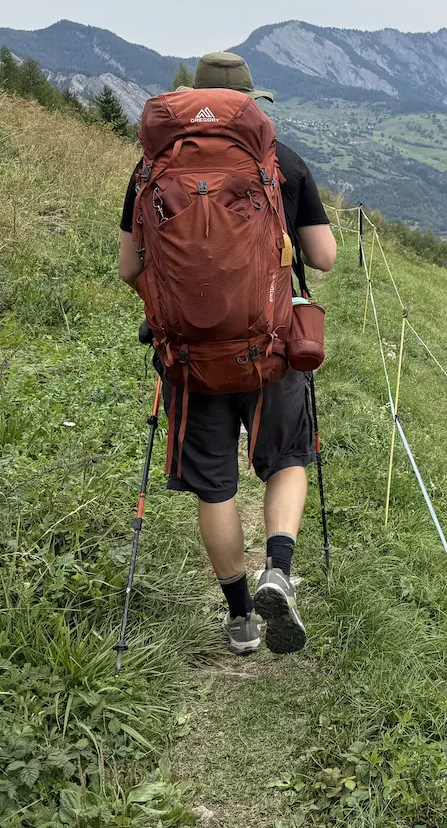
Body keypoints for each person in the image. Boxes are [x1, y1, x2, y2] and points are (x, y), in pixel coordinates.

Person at [117, 51, 337, 656]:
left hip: (189, 356)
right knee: (287, 457)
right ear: (251, 105)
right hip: (271, 350)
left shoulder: (149, 169)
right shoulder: (283, 163)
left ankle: (241, 621)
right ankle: (280, 572)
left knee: (215, 486)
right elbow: (324, 257)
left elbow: (128, 266)